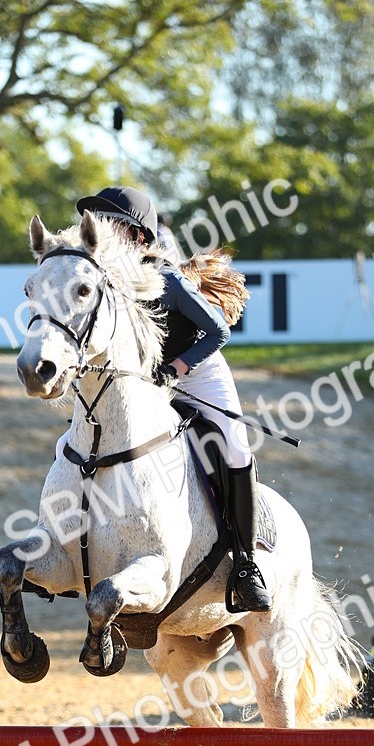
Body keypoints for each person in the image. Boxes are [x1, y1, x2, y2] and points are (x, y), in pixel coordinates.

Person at [74, 186, 271, 613]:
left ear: (140, 237)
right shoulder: (101, 283)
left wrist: (177, 369)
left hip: (197, 372)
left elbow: (218, 332)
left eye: (111, 224)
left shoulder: (168, 280)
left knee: (233, 446)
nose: (100, 231)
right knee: (76, 443)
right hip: (144, 381)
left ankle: (246, 563)